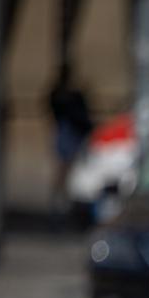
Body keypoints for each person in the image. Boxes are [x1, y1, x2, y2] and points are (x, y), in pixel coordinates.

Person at [47, 64, 94, 215]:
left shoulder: (74, 95)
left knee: (73, 170)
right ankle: (59, 204)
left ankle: (70, 204)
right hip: (66, 134)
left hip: (72, 135)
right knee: (63, 170)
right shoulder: (60, 94)